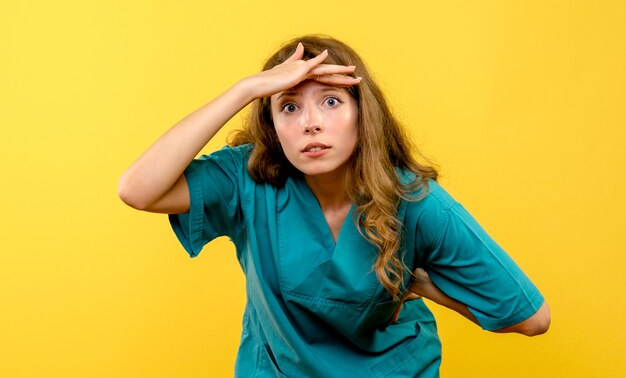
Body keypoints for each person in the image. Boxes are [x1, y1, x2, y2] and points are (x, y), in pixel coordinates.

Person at [118, 34, 550, 377]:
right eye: (288, 106)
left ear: (363, 113)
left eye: (330, 101)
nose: (311, 123)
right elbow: (138, 189)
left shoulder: (413, 201)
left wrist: (425, 288)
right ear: (272, 126)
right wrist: (244, 90)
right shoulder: (247, 179)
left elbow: (533, 317)